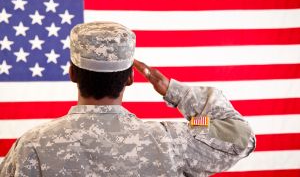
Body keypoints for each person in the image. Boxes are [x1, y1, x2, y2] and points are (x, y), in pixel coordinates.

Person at [0, 22, 255, 176]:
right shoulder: (170, 140)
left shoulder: (31, 146)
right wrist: (173, 90)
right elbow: (238, 133)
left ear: (72, 73)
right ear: (130, 78)